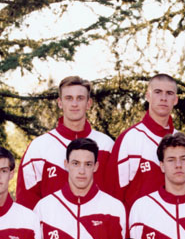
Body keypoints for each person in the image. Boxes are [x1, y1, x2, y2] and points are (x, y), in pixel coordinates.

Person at [34, 137, 126, 239]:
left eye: (88, 164)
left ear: (96, 166)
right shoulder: (45, 208)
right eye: (76, 163)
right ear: (66, 164)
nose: (82, 171)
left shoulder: (114, 207)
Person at [16, 76, 114, 209]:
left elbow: (114, 196)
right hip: (51, 228)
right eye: (69, 98)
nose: (74, 104)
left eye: (80, 98)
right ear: (60, 103)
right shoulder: (39, 147)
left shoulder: (106, 145)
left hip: (96, 227)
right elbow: (26, 201)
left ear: (88, 103)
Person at [103, 73, 179, 210]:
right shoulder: (129, 139)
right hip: (138, 227)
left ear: (175, 99)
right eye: (157, 92)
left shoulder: (181, 140)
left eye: (169, 93)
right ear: (148, 95)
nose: (163, 98)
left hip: (174, 227)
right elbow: (112, 193)